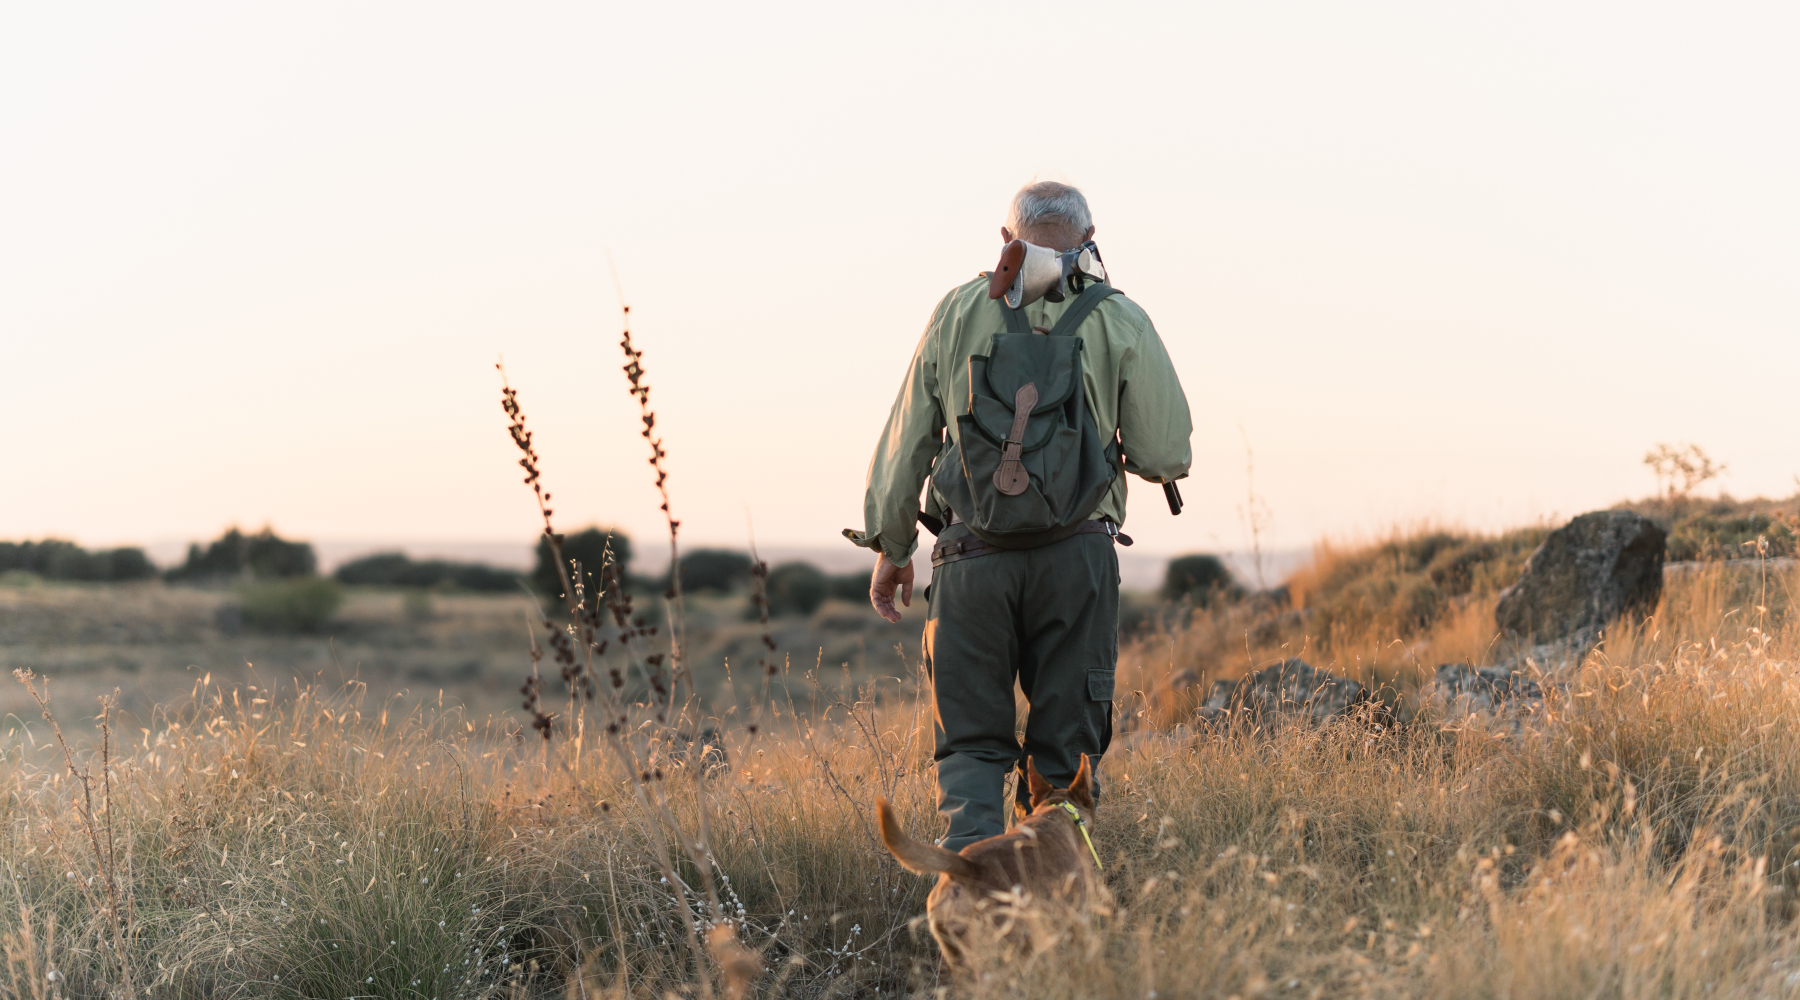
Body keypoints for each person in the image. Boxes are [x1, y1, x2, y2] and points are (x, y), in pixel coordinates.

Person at [844, 181, 1193, 850]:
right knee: (1065, 762)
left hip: (970, 564)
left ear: (1007, 242)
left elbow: (906, 441)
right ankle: (1052, 916)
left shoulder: (955, 312)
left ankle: (973, 911)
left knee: (972, 749)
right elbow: (1163, 452)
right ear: (1090, 246)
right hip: (1076, 564)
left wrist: (891, 546)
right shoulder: (1119, 318)